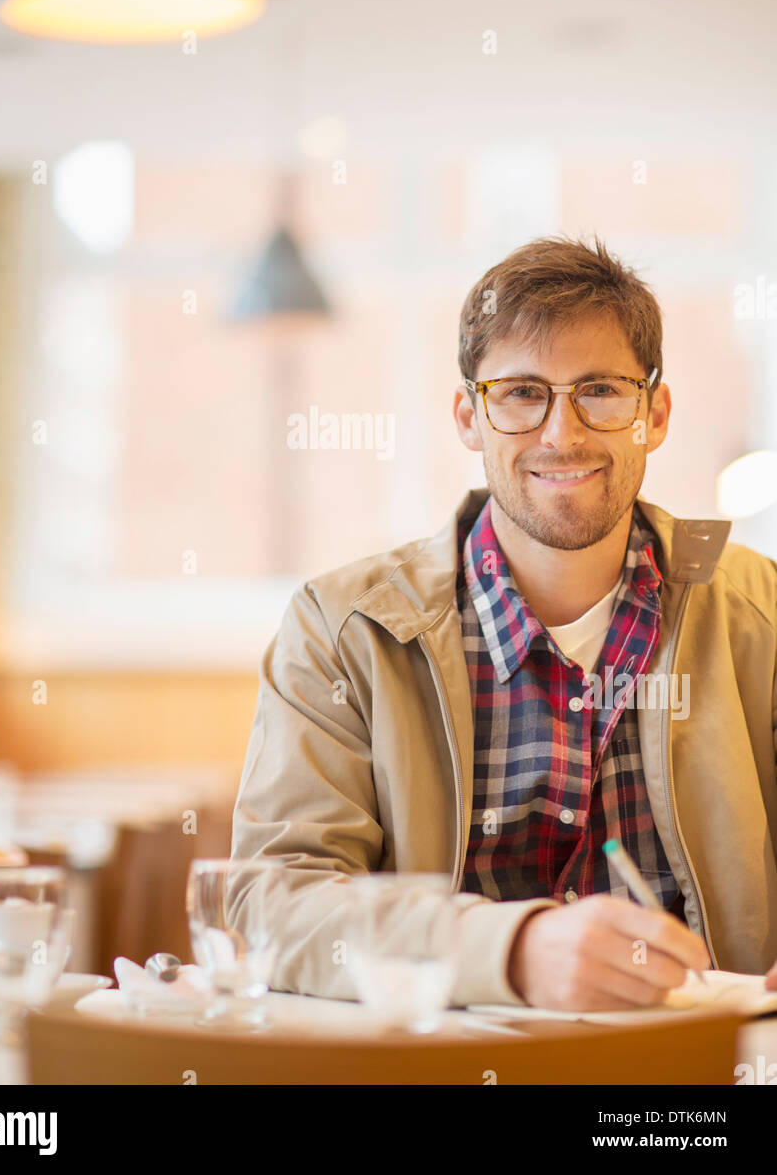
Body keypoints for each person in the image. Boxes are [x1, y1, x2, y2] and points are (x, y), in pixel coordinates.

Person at [230, 235, 777, 1010]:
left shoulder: (762, 613)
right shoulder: (341, 630)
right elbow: (272, 905)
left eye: (600, 390)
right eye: (520, 393)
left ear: (652, 414)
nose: (561, 433)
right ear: (468, 416)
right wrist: (512, 952)